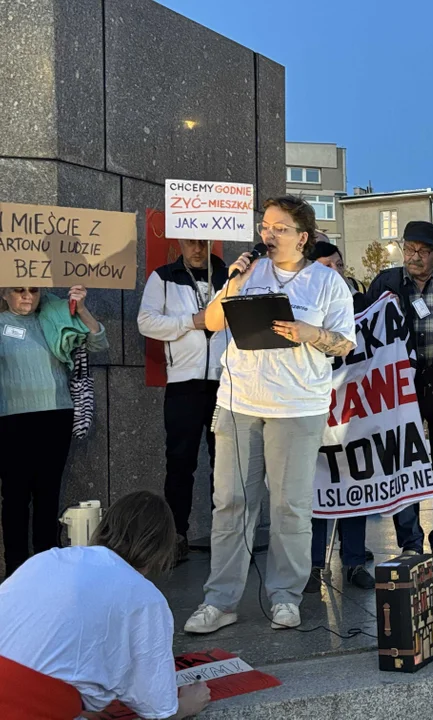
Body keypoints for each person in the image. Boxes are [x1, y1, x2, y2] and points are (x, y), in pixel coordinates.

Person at [184, 196, 356, 634]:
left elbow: (345, 344)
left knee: (290, 507)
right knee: (231, 504)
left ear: (303, 237)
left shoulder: (326, 282)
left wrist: (309, 333)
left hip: (298, 407)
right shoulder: (246, 272)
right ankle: (220, 601)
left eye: (280, 228)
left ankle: (286, 596)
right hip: (239, 402)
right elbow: (210, 321)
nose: (268, 234)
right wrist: (234, 282)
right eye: (265, 226)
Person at [0, 491, 210, 720]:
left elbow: (39, 652)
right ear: (161, 551)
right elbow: (159, 709)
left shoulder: (50, 559)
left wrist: (70, 704)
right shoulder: (144, 597)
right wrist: (190, 704)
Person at [366, 221, 433, 571]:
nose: (415, 257)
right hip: (401, 384)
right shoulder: (386, 282)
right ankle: (410, 542)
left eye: (423, 251)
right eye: (409, 249)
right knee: (401, 464)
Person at [0, 285, 108, 579]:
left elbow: (99, 342)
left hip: (56, 414)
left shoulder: (54, 315)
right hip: (12, 418)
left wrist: (81, 307)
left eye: (33, 290)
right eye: (19, 290)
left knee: (48, 493)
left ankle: (47, 566)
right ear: (4, 294)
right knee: (15, 496)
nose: (27, 296)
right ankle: (17, 570)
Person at [138, 239, 228, 563]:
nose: (197, 249)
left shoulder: (229, 277)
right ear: (179, 242)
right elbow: (145, 322)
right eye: (190, 243)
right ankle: (176, 537)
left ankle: (226, 537)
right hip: (183, 383)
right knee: (180, 462)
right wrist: (191, 321)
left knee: (225, 465)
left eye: (202, 243)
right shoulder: (163, 277)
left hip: (224, 383)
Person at [304, 240, 375, 592]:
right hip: (315, 404)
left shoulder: (361, 303)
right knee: (318, 485)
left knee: (353, 482)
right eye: (327, 266)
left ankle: (354, 561)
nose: (336, 272)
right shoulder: (305, 304)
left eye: (339, 265)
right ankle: (315, 566)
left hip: (353, 406)